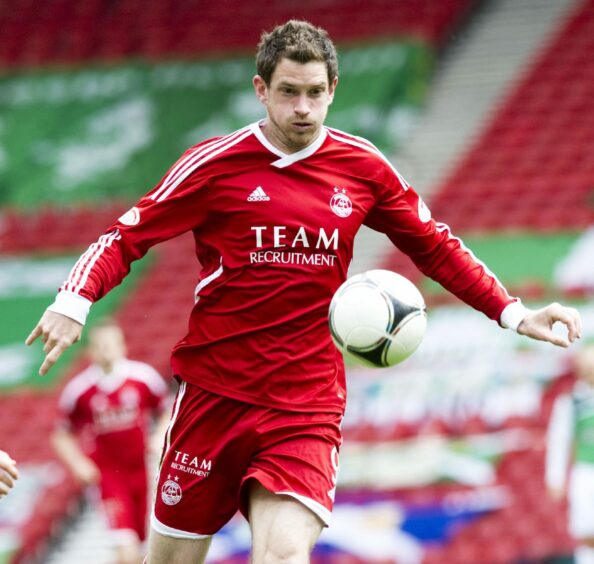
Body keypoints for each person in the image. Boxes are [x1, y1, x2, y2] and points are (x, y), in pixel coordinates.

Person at [25, 19, 581, 564]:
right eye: (288, 92)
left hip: (306, 401)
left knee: (285, 553)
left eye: (316, 93)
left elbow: (434, 245)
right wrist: (74, 301)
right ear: (261, 90)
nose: (303, 108)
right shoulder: (216, 165)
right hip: (215, 395)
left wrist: (511, 312)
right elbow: (127, 235)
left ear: (334, 89)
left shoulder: (362, 167)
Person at [51, 318, 170, 564]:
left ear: (122, 346)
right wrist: (79, 465)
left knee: (151, 550)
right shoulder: (80, 390)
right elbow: (61, 435)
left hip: (145, 470)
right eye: (100, 345)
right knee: (126, 552)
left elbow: (170, 410)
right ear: (90, 351)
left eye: (111, 343)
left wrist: (159, 436)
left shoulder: (143, 377)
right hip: (109, 476)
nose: (106, 349)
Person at [546, 343, 594, 564]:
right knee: (587, 532)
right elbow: (559, 440)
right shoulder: (571, 401)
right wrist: (555, 478)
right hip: (586, 472)